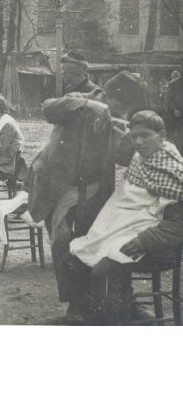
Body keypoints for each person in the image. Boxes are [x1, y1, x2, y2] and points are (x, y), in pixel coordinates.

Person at [26, 70, 147, 323]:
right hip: (59, 187)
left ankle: (107, 302)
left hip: (92, 190)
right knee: (61, 245)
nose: (121, 111)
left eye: (126, 108)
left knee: (90, 243)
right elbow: (47, 109)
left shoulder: (119, 119)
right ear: (107, 94)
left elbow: (123, 157)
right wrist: (87, 103)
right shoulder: (79, 100)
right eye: (118, 105)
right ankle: (75, 306)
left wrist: (127, 138)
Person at [69, 111, 183, 325]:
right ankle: (114, 312)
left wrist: (143, 241)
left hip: (156, 246)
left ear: (162, 135)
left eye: (145, 135)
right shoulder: (140, 160)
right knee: (78, 257)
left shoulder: (176, 172)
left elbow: (177, 226)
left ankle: (108, 324)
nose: (138, 141)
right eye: (134, 136)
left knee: (103, 270)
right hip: (126, 231)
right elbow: (126, 201)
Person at [165, 65, 183, 154]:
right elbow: (169, 98)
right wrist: (174, 109)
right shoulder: (173, 84)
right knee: (180, 137)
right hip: (179, 115)